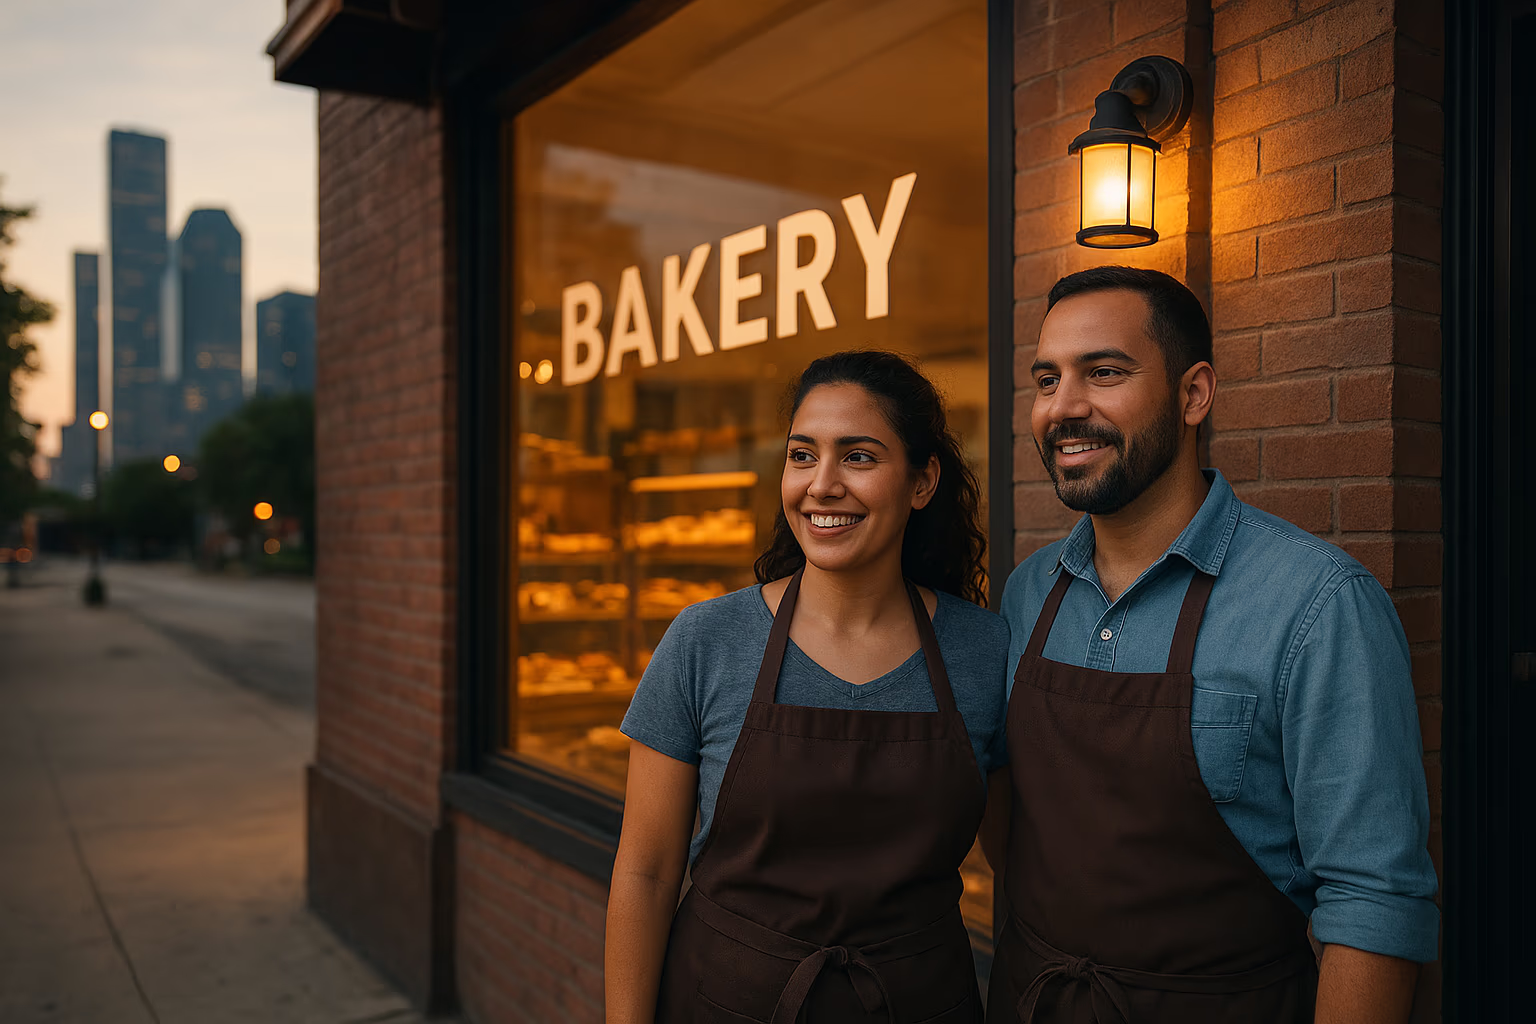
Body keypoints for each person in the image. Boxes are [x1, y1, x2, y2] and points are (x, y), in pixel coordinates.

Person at [987, 266, 1439, 1024]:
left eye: (1104, 372)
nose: (1064, 407)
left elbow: (1373, 902)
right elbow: (1019, 832)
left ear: (1194, 394)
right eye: (1045, 379)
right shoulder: (1028, 593)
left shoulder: (1319, 604)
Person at [606, 350, 1010, 1024]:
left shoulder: (985, 651)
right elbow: (645, 873)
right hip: (723, 1001)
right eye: (802, 455)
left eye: (858, 456)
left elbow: (1019, 871)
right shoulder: (706, 640)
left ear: (922, 481)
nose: (822, 484)